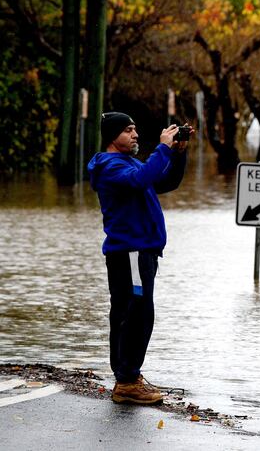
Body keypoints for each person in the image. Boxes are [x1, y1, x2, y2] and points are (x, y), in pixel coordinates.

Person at [87, 112, 193, 405]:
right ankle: (127, 380)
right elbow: (140, 179)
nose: (135, 135)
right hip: (130, 250)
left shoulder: (130, 164)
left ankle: (128, 377)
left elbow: (163, 181)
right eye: (128, 130)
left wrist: (177, 153)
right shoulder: (109, 165)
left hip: (141, 251)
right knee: (137, 313)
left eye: (135, 129)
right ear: (112, 136)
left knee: (130, 312)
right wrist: (161, 147)